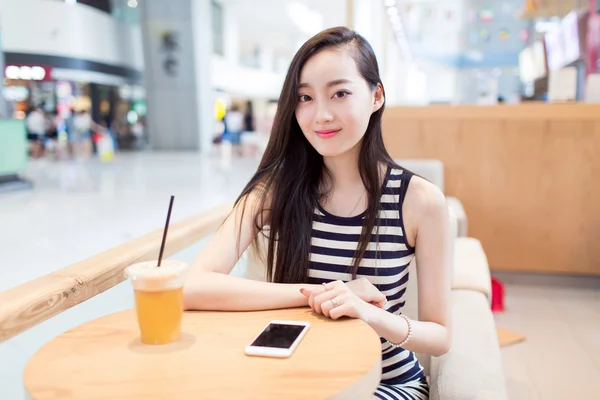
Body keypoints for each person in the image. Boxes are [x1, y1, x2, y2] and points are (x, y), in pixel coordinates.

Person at [183, 27, 452, 400]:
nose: (320, 115)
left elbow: (440, 336)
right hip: (295, 378)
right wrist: (323, 295)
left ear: (376, 96)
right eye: (305, 97)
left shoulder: (420, 201)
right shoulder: (274, 191)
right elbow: (192, 286)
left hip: (385, 383)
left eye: (340, 93)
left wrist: (369, 313)